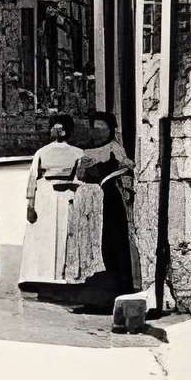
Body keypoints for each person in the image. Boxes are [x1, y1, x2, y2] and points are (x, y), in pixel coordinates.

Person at [69, 117, 138, 313]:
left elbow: (127, 169)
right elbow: (79, 176)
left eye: (102, 127)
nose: (97, 132)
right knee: (91, 244)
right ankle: (95, 295)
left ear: (110, 129)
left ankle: (115, 293)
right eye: (94, 128)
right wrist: (83, 167)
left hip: (110, 201)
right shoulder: (85, 150)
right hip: (89, 203)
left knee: (111, 243)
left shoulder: (115, 148)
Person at [18, 116, 80, 293]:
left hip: (67, 193)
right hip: (45, 195)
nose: (58, 131)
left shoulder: (77, 153)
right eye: (55, 128)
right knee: (43, 234)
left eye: (61, 128)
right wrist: (30, 205)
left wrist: (72, 185)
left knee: (63, 233)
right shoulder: (42, 152)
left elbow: (79, 176)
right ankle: (38, 275)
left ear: (68, 131)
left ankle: (62, 275)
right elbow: (33, 179)